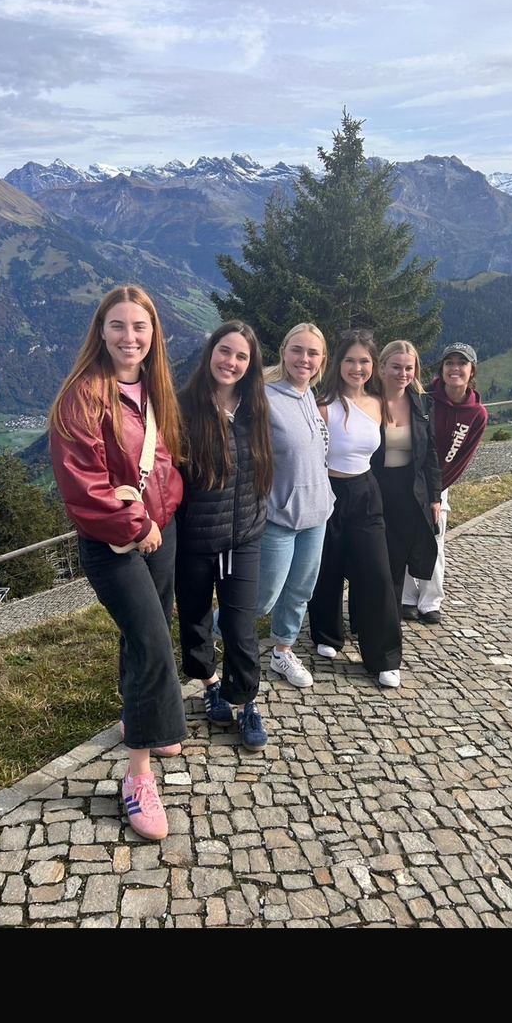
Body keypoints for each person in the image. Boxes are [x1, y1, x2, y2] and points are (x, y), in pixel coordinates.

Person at [49, 285, 187, 842]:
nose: (130, 338)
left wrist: (165, 515)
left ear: (153, 334)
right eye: (118, 326)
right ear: (100, 332)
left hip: (161, 532)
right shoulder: (80, 397)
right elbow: (84, 489)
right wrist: (140, 526)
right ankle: (137, 776)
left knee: (145, 634)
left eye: (140, 327)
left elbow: (166, 460)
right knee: (153, 643)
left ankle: (143, 715)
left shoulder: (156, 390)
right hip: (115, 543)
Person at [175, 321, 273, 751]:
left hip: (244, 536)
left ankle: (246, 698)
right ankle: (210, 683)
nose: (230, 362)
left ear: (251, 365)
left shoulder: (256, 408)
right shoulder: (181, 407)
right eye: (224, 351)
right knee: (195, 620)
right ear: (209, 352)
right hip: (194, 537)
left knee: (240, 626)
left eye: (241, 356)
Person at [307, 329, 403, 688]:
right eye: (350, 360)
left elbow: (393, 455)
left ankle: (383, 656)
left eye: (364, 361)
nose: (357, 367)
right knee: (326, 567)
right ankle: (327, 635)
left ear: (373, 365)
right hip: (326, 489)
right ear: (338, 363)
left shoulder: (381, 404)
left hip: (365, 491)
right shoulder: (322, 404)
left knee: (376, 572)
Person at [256, 323, 335, 688]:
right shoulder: (264, 395)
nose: (304, 359)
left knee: (301, 590)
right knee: (262, 597)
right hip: (280, 515)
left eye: (312, 353)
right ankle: (206, 632)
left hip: (316, 513)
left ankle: (282, 651)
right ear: (284, 351)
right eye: (298, 350)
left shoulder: (310, 395)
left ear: (321, 360)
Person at [401, 341, 488, 623]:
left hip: (440, 486)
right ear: (441, 368)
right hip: (408, 478)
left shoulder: (477, 414)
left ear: (471, 370)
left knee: (435, 540)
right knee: (403, 537)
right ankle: (406, 598)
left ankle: (431, 601)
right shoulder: (423, 397)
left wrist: (435, 493)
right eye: (449, 362)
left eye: (461, 363)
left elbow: (461, 458)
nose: (455, 368)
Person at [371, 339, 442, 608]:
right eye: (396, 367)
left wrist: (435, 497)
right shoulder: (367, 401)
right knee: (371, 557)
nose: (403, 374)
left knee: (397, 559)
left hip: (409, 491)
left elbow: (431, 453)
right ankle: (361, 616)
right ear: (381, 367)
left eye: (409, 368)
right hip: (373, 488)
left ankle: (389, 617)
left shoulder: (422, 405)